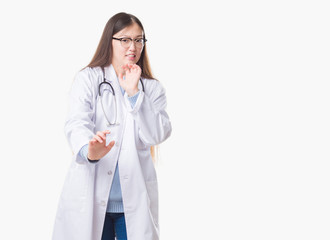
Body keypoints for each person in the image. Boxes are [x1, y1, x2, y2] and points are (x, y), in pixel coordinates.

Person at [52, 12, 172, 240]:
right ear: (110, 40)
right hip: (92, 198)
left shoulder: (151, 88)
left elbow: (158, 133)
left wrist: (134, 93)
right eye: (125, 39)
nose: (133, 47)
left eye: (139, 40)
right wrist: (90, 150)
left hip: (133, 204)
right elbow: (76, 122)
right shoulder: (88, 78)